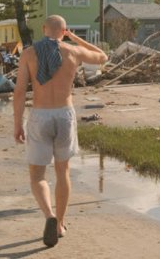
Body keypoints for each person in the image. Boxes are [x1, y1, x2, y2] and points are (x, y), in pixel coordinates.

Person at [13, 15, 107, 247]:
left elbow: (19, 92)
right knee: (62, 171)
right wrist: (75, 38)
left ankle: (49, 215)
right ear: (64, 31)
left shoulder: (29, 53)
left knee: (37, 176)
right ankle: (60, 224)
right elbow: (103, 57)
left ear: (44, 29)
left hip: (40, 115)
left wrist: (17, 123)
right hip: (64, 114)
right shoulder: (73, 51)